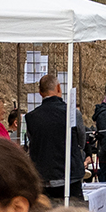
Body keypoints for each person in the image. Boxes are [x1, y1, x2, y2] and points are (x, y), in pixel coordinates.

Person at [24, 72, 85, 204]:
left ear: (40, 92)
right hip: (70, 174)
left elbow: (31, 141)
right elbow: (81, 140)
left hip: (43, 176)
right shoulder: (72, 113)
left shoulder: (31, 117)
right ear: (59, 88)